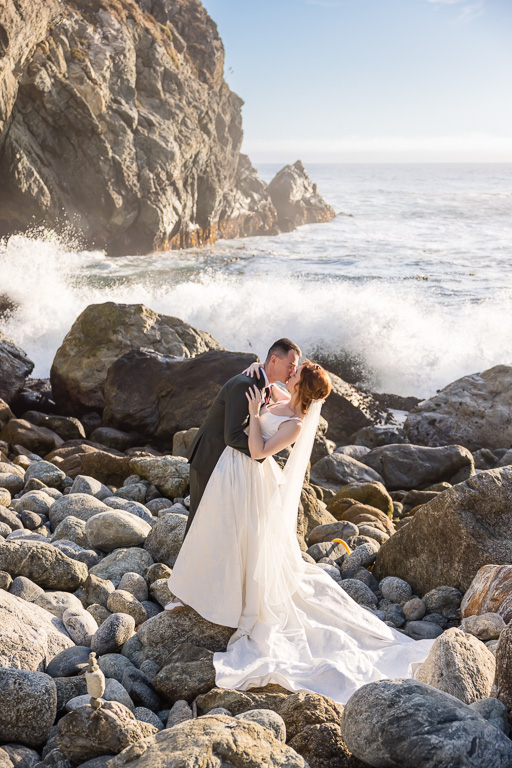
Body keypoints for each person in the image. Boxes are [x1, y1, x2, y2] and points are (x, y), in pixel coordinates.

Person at [167, 358, 435, 705]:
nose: (288, 374)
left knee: (245, 541)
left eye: (294, 374)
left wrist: (252, 412)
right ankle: (203, 590)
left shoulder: (294, 424)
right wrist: (254, 372)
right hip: (236, 478)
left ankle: (230, 599)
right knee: (227, 535)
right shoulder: (282, 396)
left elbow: (258, 451)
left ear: (300, 388)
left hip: (254, 478)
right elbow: (268, 382)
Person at [183, 337, 301, 538]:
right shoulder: (246, 384)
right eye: (290, 365)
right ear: (273, 360)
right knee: (200, 518)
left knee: (220, 522)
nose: (292, 371)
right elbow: (233, 435)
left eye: (295, 368)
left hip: (227, 462)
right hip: (211, 457)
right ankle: (185, 568)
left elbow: (296, 401)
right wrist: (261, 453)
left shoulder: (265, 384)